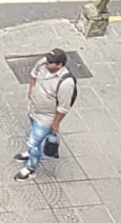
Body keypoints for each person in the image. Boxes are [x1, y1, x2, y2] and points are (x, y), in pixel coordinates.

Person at [15, 47, 77, 182]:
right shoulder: (43, 63)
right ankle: (31, 153)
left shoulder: (66, 83)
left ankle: (30, 168)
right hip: (33, 110)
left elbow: (63, 107)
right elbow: (34, 74)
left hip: (45, 118)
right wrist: (31, 90)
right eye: (47, 60)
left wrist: (55, 123)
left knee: (33, 142)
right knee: (33, 136)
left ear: (59, 65)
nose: (46, 63)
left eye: (50, 62)